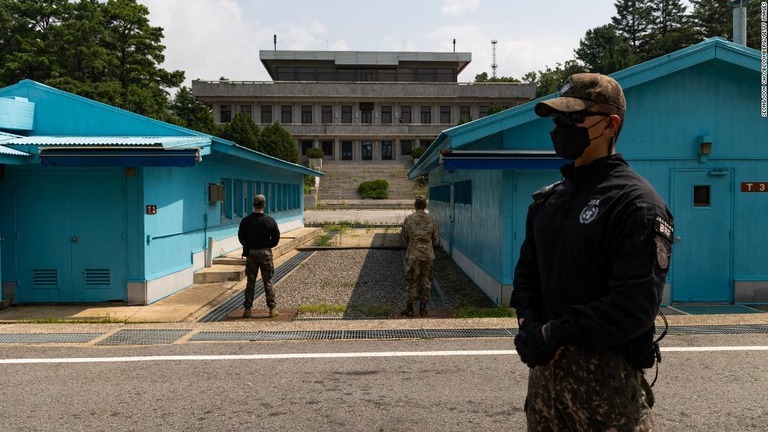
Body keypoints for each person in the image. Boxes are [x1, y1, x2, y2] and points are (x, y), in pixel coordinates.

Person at [509, 73, 674, 431]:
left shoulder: (635, 204)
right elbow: (526, 277)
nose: (562, 127)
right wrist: (528, 326)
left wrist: (551, 334)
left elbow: (633, 306)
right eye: (558, 119)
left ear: (610, 124)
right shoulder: (548, 201)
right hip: (546, 388)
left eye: (575, 117)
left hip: (608, 392)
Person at [238, 194, 281, 319]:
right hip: (266, 253)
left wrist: (248, 245)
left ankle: (247, 310)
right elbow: (276, 238)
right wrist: (268, 245)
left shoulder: (246, 221)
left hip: (251, 253)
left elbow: (241, 237)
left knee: (250, 282)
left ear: (253, 205)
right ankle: (272, 309)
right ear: (264, 205)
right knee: (267, 281)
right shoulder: (270, 221)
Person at [400, 195, 439, 318]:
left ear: (415, 205)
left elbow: (404, 236)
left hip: (413, 255)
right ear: (425, 206)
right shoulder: (431, 219)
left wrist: (412, 244)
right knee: (426, 281)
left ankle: (410, 307)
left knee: (412, 280)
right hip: (427, 255)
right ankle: (423, 308)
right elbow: (436, 239)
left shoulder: (409, 219)